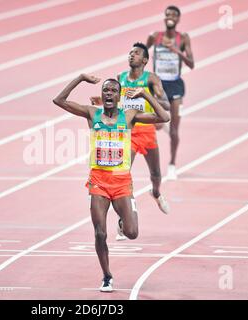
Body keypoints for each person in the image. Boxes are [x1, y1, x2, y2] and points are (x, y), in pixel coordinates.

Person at [53, 74, 169, 292]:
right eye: (105, 90)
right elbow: (59, 100)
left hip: (122, 182)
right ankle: (106, 275)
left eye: (113, 91)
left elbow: (164, 117)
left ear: (119, 96)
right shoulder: (92, 113)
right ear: (102, 94)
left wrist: (145, 94)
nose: (108, 94)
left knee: (132, 233)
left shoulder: (130, 116)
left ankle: (123, 223)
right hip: (98, 181)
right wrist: (80, 78)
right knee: (100, 233)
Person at [91, 42, 171, 223]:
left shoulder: (151, 79)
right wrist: (101, 101)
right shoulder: (121, 77)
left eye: (136, 53)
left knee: (156, 173)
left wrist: (145, 95)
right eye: (130, 53)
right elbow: (114, 100)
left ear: (144, 60)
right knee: (123, 172)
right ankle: (124, 217)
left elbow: (165, 105)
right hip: (128, 132)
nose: (131, 55)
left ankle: (156, 193)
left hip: (147, 130)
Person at [147, 5, 195, 180]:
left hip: (175, 86)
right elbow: (142, 54)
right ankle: (162, 125)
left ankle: (172, 164)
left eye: (174, 15)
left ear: (178, 19)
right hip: (157, 85)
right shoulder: (155, 37)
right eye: (168, 14)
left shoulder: (183, 38)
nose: (171, 17)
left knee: (175, 130)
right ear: (165, 17)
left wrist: (176, 51)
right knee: (155, 123)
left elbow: (191, 63)